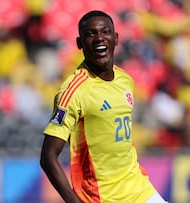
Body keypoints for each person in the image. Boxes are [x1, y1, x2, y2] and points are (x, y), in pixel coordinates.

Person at [40, 10, 168, 203]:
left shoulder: (125, 80)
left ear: (115, 38)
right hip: (102, 197)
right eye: (90, 34)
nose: (99, 38)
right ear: (79, 43)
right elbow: (48, 157)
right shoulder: (74, 91)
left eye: (105, 32)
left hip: (139, 189)